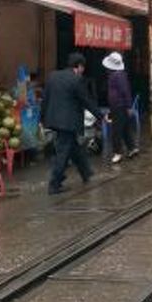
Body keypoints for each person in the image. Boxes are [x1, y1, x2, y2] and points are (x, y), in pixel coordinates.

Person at [42, 52, 105, 195]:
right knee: (63, 153)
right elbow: (86, 101)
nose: (83, 71)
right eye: (83, 68)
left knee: (75, 148)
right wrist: (101, 116)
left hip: (54, 119)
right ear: (80, 66)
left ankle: (86, 172)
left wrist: (42, 118)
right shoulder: (76, 80)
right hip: (68, 122)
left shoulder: (53, 76)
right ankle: (54, 184)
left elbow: (45, 98)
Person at [102, 51, 138, 164]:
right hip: (119, 105)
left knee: (116, 130)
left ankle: (118, 153)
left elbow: (125, 91)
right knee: (125, 128)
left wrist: (128, 106)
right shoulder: (118, 75)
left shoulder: (118, 76)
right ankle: (132, 148)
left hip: (119, 106)